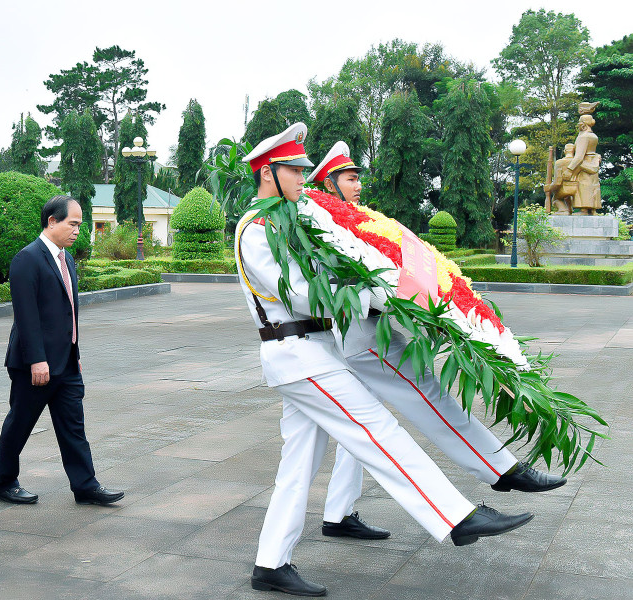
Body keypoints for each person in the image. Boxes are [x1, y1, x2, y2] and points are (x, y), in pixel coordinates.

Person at [239, 125, 534, 597]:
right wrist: (375, 294)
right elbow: (300, 296)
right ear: (267, 173)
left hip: (313, 352)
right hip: (298, 354)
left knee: (296, 466)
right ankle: (456, 517)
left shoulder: (288, 222)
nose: (301, 177)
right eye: (293, 170)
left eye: (299, 168)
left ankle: (270, 564)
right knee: (378, 431)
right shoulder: (257, 231)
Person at [306, 144, 566, 543]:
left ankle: (338, 513)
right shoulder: (322, 224)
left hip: (349, 340)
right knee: (428, 394)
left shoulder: (352, 220)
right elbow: (333, 287)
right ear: (329, 183)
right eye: (350, 178)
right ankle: (502, 469)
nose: (358, 185)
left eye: (357, 177)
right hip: (359, 339)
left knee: (357, 427)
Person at [0, 195, 123, 506]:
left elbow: (68, 313)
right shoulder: (28, 259)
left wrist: (75, 354)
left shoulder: (67, 259)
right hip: (33, 365)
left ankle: (86, 485)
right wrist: (38, 360)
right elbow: (26, 316)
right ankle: (3, 482)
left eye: (80, 224)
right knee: (20, 423)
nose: (78, 230)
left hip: (66, 362)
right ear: (52, 221)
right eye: (73, 223)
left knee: (74, 427)